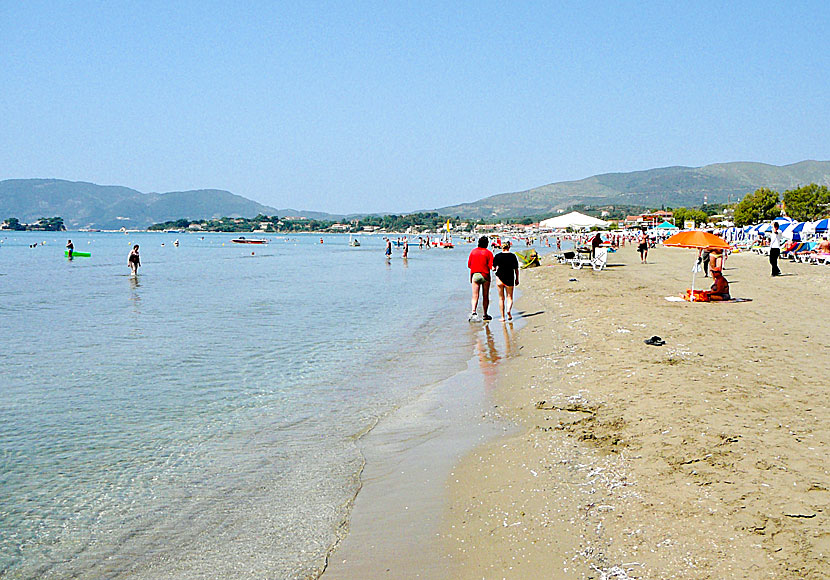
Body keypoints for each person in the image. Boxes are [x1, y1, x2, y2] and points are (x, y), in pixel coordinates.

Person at [467, 236, 494, 321]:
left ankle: (474, 312)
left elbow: (469, 265)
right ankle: (485, 314)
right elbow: (491, 266)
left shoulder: (473, 252)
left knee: (475, 295)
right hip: (485, 275)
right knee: (485, 296)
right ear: (487, 244)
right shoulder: (488, 253)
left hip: (475, 274)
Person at [492, 241, 519, 321]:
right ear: (509, 247)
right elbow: (516, 269)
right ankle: (508, 310)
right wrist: (517, 279)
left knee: (501, 298)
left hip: (499, 278)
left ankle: (502, 317)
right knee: (509, 297)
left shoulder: (497, 256)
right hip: (510, 277)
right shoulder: (513, 256)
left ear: (502, 247)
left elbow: (493, 268)